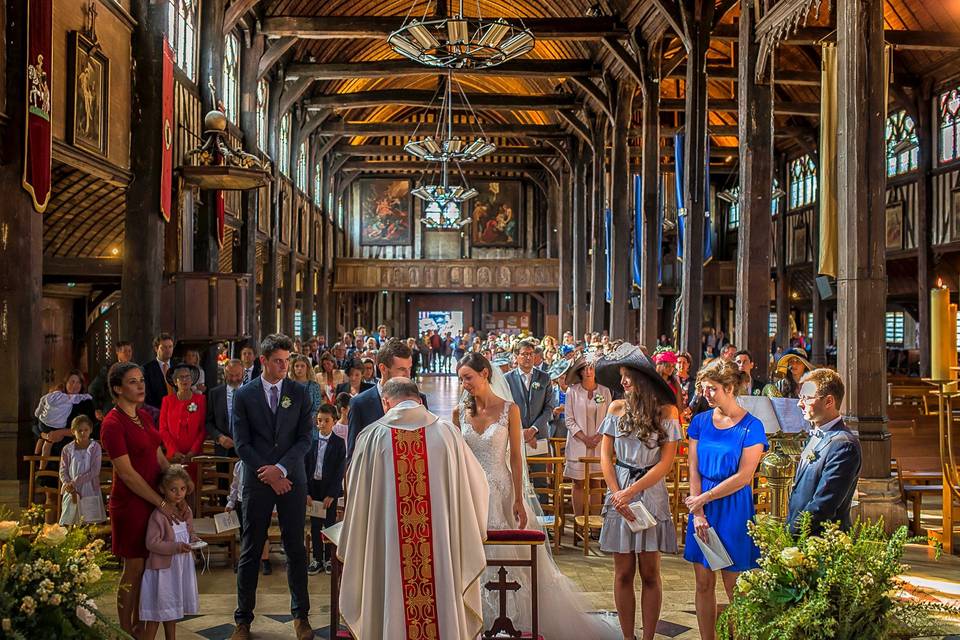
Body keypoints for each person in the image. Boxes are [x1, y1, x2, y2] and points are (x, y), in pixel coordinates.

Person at [453, 354, 617, 638]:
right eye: (461, 378)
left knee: (506, 557)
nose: (463, 384)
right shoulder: (459, 413)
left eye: (468, 377)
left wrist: (518, 497)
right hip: (469, 491)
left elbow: (516, 458)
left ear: (484, 374)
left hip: (501, 489)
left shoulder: (509, 409)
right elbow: (456, 458)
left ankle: (516, 619)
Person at [339, 378, 488, 639]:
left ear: (386, 402)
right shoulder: (447, 434)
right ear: (419, 399)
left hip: (389, 550)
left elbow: (354, 494)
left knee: (388, 594)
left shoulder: (372, 437)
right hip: (440, 549)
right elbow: (478, 487)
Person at [594, 344, 681, 640]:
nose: (622, 383)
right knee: (622, 572)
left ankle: (648, 637)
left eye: (626, 376)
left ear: (641, 376)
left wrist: (632, 491)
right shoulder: (616, 408)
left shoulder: (668, 411)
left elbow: (666, 463)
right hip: (619, 489)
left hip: (650, 491)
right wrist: (617, 493)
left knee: (649, 572)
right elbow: (605, 456)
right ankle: (628, 636)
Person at [231, 334, 315, 640]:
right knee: (251, 549)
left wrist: (280, 470)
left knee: (295, 548)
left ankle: (301, 617)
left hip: (291, 478)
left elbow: (306, 438)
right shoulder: (245, 395)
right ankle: (242, 620)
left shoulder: (299, 392)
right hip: (257, 479)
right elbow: (241, 443)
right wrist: (267, 472)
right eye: (278, 361)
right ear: (263, 361)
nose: (284, 366)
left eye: (287, 360)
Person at [682, 358, 768, 640]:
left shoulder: (752, 426)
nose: (705, 394)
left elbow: (744, 476)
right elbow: (693, 467)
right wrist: (697, 511)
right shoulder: (700, 421)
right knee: (704, 583)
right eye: (704, 388)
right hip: (702, 508)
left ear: (730, 388)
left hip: (734, 508)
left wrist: (703, 498)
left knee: (735, 587)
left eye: (712, 389)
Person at [100, 361, 187, 638]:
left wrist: (178, 485)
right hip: (131, 503)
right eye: (133, 382)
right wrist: (161, 503)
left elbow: (158, 456)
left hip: (154, 498)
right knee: (134, 568)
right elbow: (127, 474)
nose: (141, 386)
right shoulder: (112, 424)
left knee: (149, 568)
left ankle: (140, 626)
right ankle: (125, 630)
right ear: (117, 388)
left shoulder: (144, 416)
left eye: (141, 380)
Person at [788, 369, 862, 534]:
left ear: (829, 401)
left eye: (806, 398)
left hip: (821, 542)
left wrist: (791, 534)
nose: (800, 404)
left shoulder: (844, 445)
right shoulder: (818, 434)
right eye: (801, 397)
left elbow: (822, 505)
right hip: (803, 538)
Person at [140, 464, 200, 640]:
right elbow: (152, 543)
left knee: (172, 610)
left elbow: (189, 531)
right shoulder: (158, 516)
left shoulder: (185, 510)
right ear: (162, 489)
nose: (179, 493)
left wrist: (194, 538)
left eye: (182, 489)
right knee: (156, 613)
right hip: (162, 572)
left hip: (179, 569)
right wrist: (176, 547)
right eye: (173, 489)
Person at [346, 339, 428, 457]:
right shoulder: (359, 404)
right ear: (383, 368)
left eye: (409, 368)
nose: (408, 375)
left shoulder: (420, 400)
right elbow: (353, 454)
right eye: (401, 369)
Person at [563, 357, 613, 517]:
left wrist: (598, 437)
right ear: (580, 372)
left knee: (596, 482)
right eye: (585, 369)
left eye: (591, 368)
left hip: (599, 444)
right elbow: (569, 419)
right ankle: (579, 519)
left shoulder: (604, 391)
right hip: (578, 442)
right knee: (578, 482)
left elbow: (609, 418)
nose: (588, 372)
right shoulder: (572, 391)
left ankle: (595, 523)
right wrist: (585, 438)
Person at [306, 404, 346, 575]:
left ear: (334, 422)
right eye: (319, 421)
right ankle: (316, 558)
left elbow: (339, 472)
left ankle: (329, 558)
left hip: (329, 489)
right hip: (314, 487)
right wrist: (306, 492)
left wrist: (332, 494)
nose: (322, 424)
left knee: (329, 524)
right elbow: (305, 467)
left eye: (326, 421)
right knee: (315, 525)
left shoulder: (338, 443)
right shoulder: (311, 441)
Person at [159, 363, 207, 489]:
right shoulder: (167, 401)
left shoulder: (200, 400)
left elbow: (203, 429)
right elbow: (163, 429)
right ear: (175, 381)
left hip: (194, 457)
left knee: (192, 488)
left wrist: (193, 451)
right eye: (181, 377)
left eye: (187, 377)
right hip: (173, 456)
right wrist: (174, 451)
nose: (185, 380)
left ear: (192, 380)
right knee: (174, 489)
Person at [504, 338, 555, 447]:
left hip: (539, 434)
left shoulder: (544, 377)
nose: (528, 357)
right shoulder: (507, 379)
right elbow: (504, 408)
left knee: (540, 464)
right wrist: (521, 431)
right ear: (516, 356)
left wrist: (533, 429)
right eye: (524, 354)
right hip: (515, 434)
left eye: (531, 354)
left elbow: (549, 407)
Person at [35, 369, 96, 458]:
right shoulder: (56, 398)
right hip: (49, 443)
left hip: (72, 448)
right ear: (66, 383)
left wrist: (61, 432)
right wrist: (46, 436)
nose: (75, 385)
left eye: (78, 382)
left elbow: (90, 428)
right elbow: (35, 425)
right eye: (72, 382)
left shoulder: (86, 402)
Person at [225, 460, 272, 575]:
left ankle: (265, 560)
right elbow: (235, 485)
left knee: (262, 532)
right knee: (244, 533)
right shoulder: (238, 465)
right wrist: (230, 502)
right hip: (242, 501)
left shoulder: (260, 463)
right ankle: (245, 560)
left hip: (259, 500)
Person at [58, 415, 106, 526]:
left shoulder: (95, 447)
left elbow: (95, 471)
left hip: (89, 486)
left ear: (90, 430)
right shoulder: (67, 449)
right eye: (79, 430)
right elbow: (63, 470)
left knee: (89, 520)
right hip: (71, 489)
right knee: (69, 520)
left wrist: (74, 482)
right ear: (73, 431)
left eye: (86, 430)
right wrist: (67, 483)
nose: (83, 433)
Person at [207, 359, 243, 457]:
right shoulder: (215, 394)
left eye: (237, 375)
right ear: (225, 374)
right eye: (231, 375)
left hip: (246, 450)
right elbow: (208, 422)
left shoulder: (252, 393)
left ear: (243, 373)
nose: (234, 379)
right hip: (223, 451)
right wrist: (219, 437)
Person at [89, 340, 134, 419]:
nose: (128, 354)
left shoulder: (136, 369)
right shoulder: (108, 370)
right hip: (112, 409)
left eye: (130, 351)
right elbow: (93, 388)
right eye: (125, 351)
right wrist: (97, 408)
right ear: (118, 352)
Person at [143, 333, 176, 410]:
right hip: (157, 411)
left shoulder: (178, 366)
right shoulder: (147, 369)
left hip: (176, 409)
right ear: (156, 349)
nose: (168, 350)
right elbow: (147, 395)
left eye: (170, 347)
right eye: (164, 347)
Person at [291, 354, 323, 428]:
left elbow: (317, 407)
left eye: (302, 366)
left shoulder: (314, 386)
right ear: (293, 368)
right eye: (296, 366)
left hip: (310, 426)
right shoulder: (288, 386)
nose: (299, 368)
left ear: (307, 368)